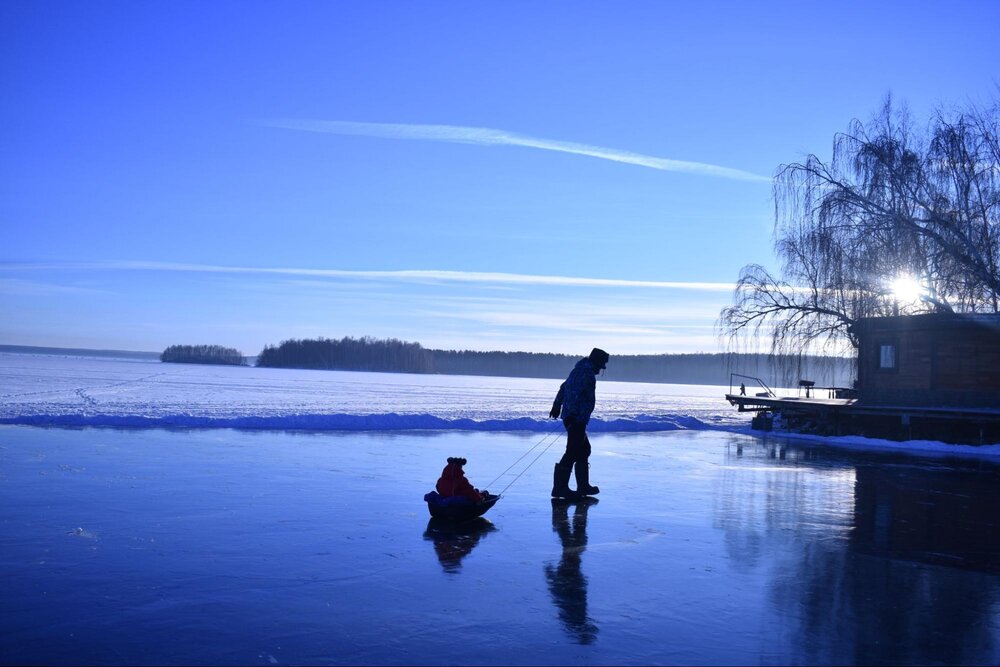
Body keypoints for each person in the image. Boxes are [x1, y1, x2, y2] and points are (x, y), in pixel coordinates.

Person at [548, 348, 609, 498]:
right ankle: (560, 488)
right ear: (596, 362)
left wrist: (556, 406)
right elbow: (574, 395)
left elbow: (563, 387)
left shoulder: (579, 370)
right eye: (601, 366)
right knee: (573, 451)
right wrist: (574, 417)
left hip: (575, 417)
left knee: (584, 449)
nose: (601, 369)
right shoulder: (585, 373)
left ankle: (583, 486)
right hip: (576, 418)